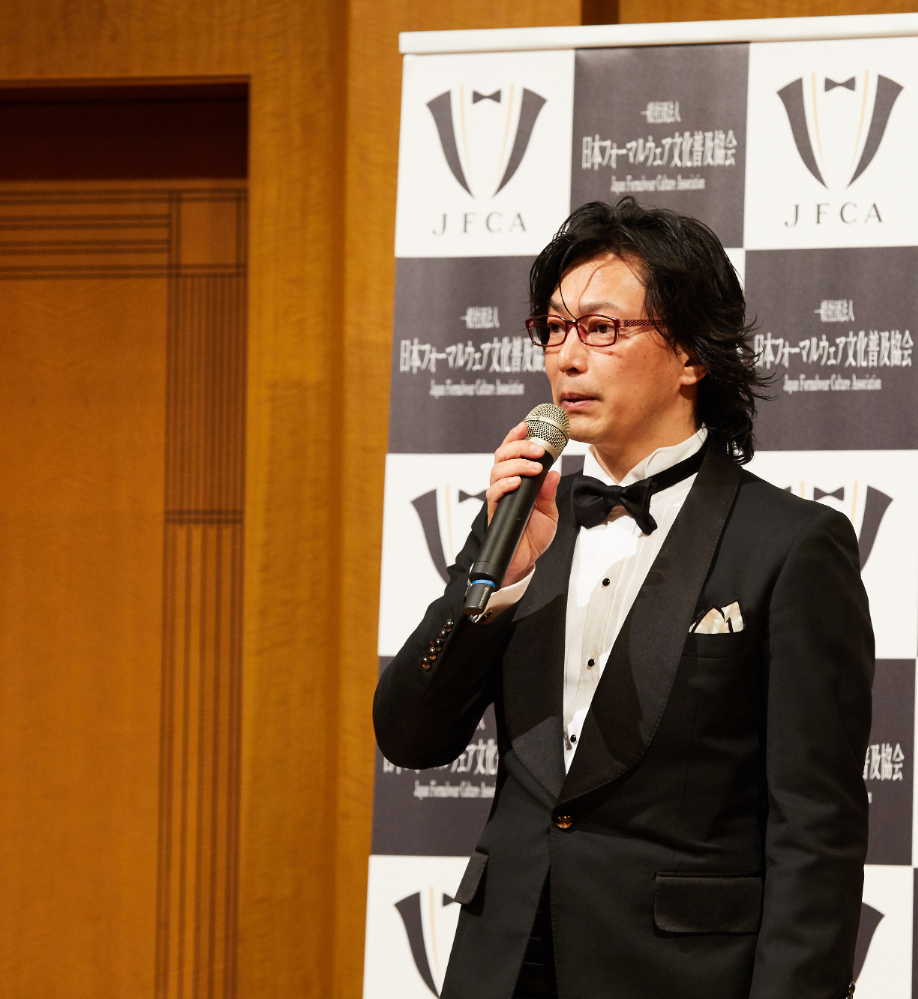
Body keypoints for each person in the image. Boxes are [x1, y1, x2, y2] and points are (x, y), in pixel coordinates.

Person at [373, 197, 875, 999]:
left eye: (601, 328)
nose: (567, 357)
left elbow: (816, 833)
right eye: (554, 328)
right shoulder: (523, 520)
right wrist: (498, 586)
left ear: (691, 354)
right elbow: (410, 734)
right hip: (503, 967)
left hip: (677, 975)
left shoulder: (792, 545)